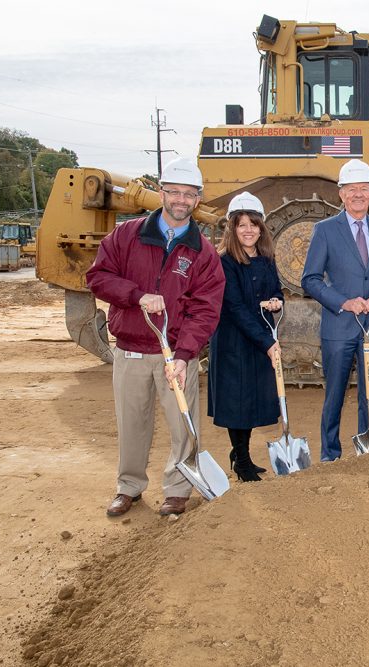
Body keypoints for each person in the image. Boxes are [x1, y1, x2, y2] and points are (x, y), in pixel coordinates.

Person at [87, 157, 225, 517]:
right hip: (131, 349)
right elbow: (98, 277)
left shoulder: (203, 253)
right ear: (162, 193)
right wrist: (136, 295)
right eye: (174, 192)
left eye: (189, 194)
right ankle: (128, 487)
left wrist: (184, 355)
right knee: (132, 423)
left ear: (197, 200)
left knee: (183, 425)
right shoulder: (126, 235)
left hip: (176, 357)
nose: (181, 200)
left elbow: (206, 309)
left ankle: (177, 489)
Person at [301, 159, 369, 461]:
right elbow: (310, 278)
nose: (358, 194)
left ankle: (367, 450)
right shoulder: (325, 230)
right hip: (339, 326)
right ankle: (330, 454)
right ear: (341, 193)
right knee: (334, 394)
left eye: (364, 189)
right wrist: (343, 302)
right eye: (352, 189)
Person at [207, 192, 283, 482]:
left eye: (254, 224)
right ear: (232, 228)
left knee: (250, 401)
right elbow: (236, 308)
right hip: (234, 342)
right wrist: (267, 343)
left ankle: (241, 454)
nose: (248, 230)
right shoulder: (224, 262)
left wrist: (277, 301)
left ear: (261, 228)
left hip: (258, 337)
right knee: (236, 403)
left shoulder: (265, 258)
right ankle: (242, 461)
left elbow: (275, 290)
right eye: (242, 225)